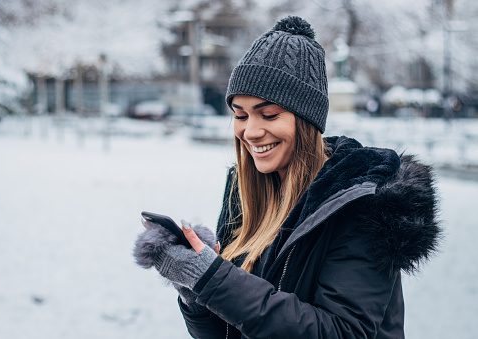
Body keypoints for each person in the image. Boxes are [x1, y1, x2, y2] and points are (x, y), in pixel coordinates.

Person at [134, 16, 441, 338]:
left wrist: (213, 279)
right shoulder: (246, 193)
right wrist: (196, 293)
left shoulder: (362, 202)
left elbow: (341, 332)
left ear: (307, 121)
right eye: (240, 115)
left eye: (269, 114)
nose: (250, 131)